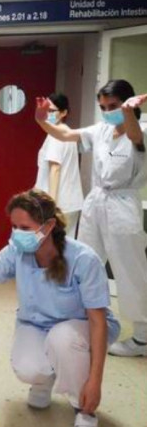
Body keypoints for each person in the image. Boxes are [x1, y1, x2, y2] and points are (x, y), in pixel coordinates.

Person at [0, 189, 120, 427]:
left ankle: (83, 408)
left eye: (24, 228)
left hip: (81, 330)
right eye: (14, 227)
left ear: (48, 226)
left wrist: (95, 381)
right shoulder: (16, 252)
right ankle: (43, 382)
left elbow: (97, 321)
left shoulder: (83, 259)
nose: (17, 234)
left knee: (63, 339)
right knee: (26, 367)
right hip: (37, 325)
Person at [34, 79, 147, 357]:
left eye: (114, 106)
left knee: (129, 270)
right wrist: (42, 121)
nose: (108, 111)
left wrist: (130, 113)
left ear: (127, 104)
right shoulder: (101, 130)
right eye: (103, 107)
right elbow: (65, 135)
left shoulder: (141, 129)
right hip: (96, 201)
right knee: (83, 261)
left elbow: (135, 138)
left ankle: (143, 336)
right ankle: (81, 319)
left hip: (123, 205)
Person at [34, 93, 83, 237]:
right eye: (45, 110)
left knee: (52, 247)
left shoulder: (57, 135)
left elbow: (55, 169)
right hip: (69, 202)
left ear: (63, 113)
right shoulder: (67, 132)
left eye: (51, 111)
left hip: (59, 203)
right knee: (65, 246)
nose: (47, 114)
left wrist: (52, 207)